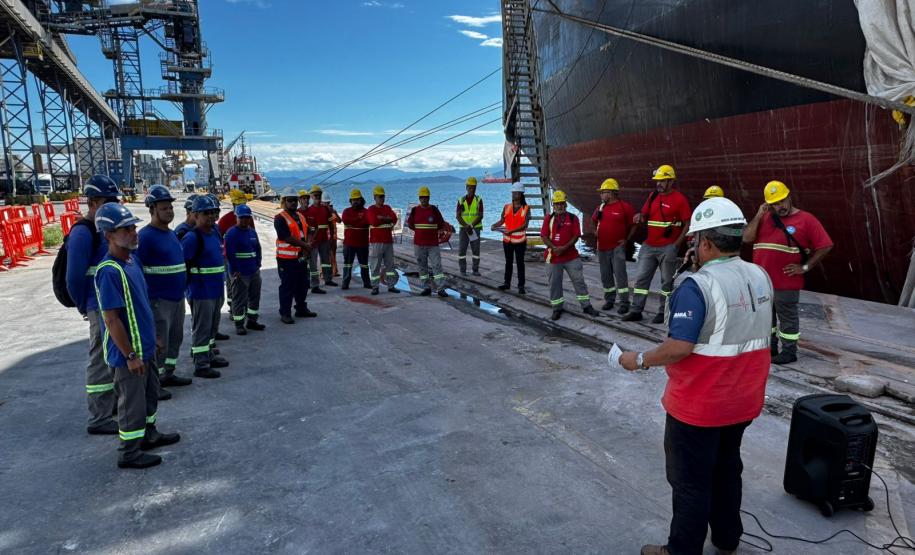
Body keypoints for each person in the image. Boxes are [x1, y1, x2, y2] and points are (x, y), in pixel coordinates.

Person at [618, 198, 773, 555]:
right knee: (727, 469)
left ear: (706, 243)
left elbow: (679, 347)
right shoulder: (759, 276)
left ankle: (681, 550)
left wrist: (637, 359)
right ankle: (727, 538)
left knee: (690, 482)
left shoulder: (697, 286)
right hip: (744, 400)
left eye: (696, 240)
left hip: (700, 405)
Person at [94, 203, 181, 469]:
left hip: (145, 347)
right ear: (109, 235)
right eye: (126, 229)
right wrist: (130, 355)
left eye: (133, 227)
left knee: (150, 396)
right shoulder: (110, 271)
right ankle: (129, 451)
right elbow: (111, 319)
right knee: (132, 404)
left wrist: (153, 337)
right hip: (128, 355)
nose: (134, 233)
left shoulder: (132, 261)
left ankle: (149, 434)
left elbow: (141, 305)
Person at [742, 180, 833, 364]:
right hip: (762, 282)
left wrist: (805, 267)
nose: (780, 206)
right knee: (766, 318)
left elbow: (826, 245)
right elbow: (746, 238)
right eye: (774, 203)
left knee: (787, 318)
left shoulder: (806, 219)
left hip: (785, 282)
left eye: (782, 201)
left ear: (789, 197)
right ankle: (770, 347)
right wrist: (759, 215)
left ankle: (789, 351)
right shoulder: (764, 218)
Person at [66, 174, 121, 435]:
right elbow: (73, 278)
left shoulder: (104, 230)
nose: (112, 206)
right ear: (92, 203)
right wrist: (84, 306)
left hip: (110, 303)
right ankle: (99, 417)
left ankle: (111, 406)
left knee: (113, 357)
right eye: (106, 202)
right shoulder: (83, 232)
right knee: (100, 359)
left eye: (114, 201)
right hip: (97, 305)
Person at [137, 185, 192, 397]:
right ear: (152, 209)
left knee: (174, 339)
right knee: (159, 343)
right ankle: (154, 383)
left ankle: (168, 373)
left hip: (177, 298)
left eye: (170, 207)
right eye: (164, 208)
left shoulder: (171, 234)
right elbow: (138, 270)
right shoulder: (146, 237)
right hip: (158, 300)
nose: (169, 211)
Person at [624, 164, 692, 323]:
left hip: (667, 248)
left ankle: (663, 312)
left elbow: (687, 223)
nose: (659, 184)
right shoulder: (653, 196)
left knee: (667, 282)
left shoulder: (680, 199)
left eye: (662, 181)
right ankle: (636, 311)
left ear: (671, 181)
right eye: (657, 181)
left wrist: (676, 244)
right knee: (641, 279)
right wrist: (639, 216)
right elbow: (645, 214)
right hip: (649, 246)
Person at [182, 195, 230, 378]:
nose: (210, 216)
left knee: (211, 328)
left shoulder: (214, 233)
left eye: (213, 212)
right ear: (195, 215)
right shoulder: (192, 238)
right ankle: (201, 364)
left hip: (216, 289)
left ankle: (208, 354)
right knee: (202, 329)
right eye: (205, 213)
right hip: (201, 291)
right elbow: (183, 265)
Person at [540, 190, 599, 321]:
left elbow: (576, 235)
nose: (559, 206)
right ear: (553, 205)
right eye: (557, 204)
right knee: (554, 284)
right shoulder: (548, 218)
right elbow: (544, 236)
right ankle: (557, 308)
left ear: (565, 204)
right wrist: (554, 248)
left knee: (579, 281)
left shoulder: (573, 218)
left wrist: (564, 248)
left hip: (571, 257)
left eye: (562, 203)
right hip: (553, 257)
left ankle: (586, 306)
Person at [591, 178, 636, 314]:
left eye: (603, 192)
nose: (601, 195)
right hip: (602, 248)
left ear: (610, 193)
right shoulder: (600, 207)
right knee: (606, 276)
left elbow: (634, 224)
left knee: (620, 275)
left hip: (617, 248)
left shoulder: (624, 207)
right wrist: (595, 231)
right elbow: (593, 220)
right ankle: (609, 300)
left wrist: (627, 240)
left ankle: (624, 303)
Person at [275, 187, 316, 323]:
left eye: (295, 200)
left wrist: (308, 244)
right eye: (290, 200)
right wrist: (305, 246)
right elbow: (286, 237)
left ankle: (301, 308)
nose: (293, 202)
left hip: (300, 257)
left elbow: (308, 230)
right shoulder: (280, 218)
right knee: (287, 286)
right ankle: (285, 313)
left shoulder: (300, 216)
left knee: (302, 284)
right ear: (284, 201)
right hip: (286, 259)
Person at [225, 204, 265, 335]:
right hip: (240, 273)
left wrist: (258, 263)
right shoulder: (231, 233)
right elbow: (229, 253)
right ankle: (239, 325)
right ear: (236, 217)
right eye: (241, 217)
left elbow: (257, 248)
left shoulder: (252, 232)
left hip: (253, 270)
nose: (245, 220)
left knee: (254, 297)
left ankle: (252, 321)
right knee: (239, 299)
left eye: (247, 217)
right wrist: (235, 269)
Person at [406, 186, 451, 297]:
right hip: (419, 244)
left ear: (429, 198)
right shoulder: (415, 210)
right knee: (422, 266)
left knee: (437, 265)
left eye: (425, 197)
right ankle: (426, 287)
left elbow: (441, 223)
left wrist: (436, 231)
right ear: (419, 198)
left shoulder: (434, 210)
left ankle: (440, 288)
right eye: (422, 197)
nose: (424, 199)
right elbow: (410, 225)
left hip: (432, 244)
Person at [490, 182, 530, 294]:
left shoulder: (526, 208)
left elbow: (525, 225)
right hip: (507, 241)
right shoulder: (507, 207)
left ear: (521, 194)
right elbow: (502, 220)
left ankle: (521, 286)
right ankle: (507, 283)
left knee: (520, 263)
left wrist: (512, 231)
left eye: (516, 193)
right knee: (508, 262)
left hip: (520, 241)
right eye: (513, 193)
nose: (513, 195)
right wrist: (494, 225)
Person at [366, 186, 400, 295]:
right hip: (376, 241)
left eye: (383, 196)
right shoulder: (371, 209)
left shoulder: (387, 208)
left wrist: (382, 218)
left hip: (388, 241)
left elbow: (394, 218)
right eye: (379, 197)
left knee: (390, 265)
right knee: (375, 265)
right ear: (374, 197)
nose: (382, 198)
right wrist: (387, 219)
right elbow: (374, 221)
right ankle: (375, 287)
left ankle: (391, 285)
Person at [304, 185, 337, 292]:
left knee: (326, 261)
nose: (317, 196)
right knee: (313, 263)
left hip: (324, 239)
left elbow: (331, 224)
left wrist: (331, 237)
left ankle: (328, 279)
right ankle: (314, 285)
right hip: (313, 241)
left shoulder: (326, 209)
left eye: (319, 195)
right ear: (312, 196)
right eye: (315, 195)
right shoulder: (308, 210)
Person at [340, 188, 372, 289]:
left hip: (363, 244)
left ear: (361, 200)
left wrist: (354, 222)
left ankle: (367, 283)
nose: (355, 202)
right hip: (349, 243)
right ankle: (345, 283)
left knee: (364, 265)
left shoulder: (367, 212)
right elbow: (345, 220)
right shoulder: (346, 211)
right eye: (354, 200)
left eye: (357, 199)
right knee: (347, 264)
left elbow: (366, 222)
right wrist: (359, 219)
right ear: (350, 201)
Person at [455, 176, 484, 276]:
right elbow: (458, 216)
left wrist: (471, 225)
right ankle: (462, 270)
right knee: (462, 250)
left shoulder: (479, 200)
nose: (472, 189)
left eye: (473, 187)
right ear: (466, 187)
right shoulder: (461, 200)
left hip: (475, 228)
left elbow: (480, 215)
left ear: (476, 188)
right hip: (464, 229)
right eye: (470, 187)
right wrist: (466, 226)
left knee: (475, 250)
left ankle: (475, 270)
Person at [326, 199, 341, 279]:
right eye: (328, 205)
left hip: (334, 237)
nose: (330, 207)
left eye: (331, 205)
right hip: (326, 237)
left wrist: (335, 213)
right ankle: (326, 272)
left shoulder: (333, 213)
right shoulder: (324, 213)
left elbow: (339, 221)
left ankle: (334, 271)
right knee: (327, 255)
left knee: (333, 254)